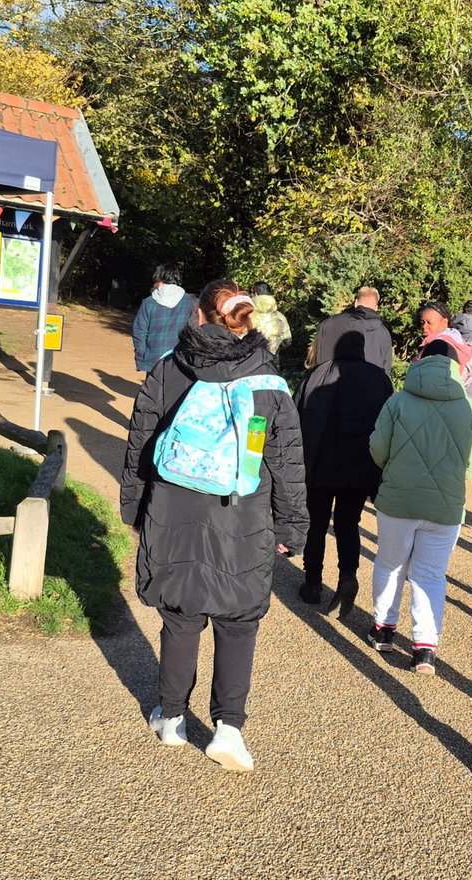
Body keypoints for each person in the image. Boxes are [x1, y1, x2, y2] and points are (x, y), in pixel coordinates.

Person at [120, 279, 308, 772]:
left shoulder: (169, 369)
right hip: (242, 511)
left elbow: (141, 442)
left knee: (180, 615)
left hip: (174, 507)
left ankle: (173, 718)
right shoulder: (267, 381)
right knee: (239, 621)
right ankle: (228, 729)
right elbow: (285, 460)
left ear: (198, 316)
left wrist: (135, 506)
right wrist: (292, 525)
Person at [367, 339, 472, 674]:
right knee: (431, 575)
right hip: (445, 506)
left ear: (421, 361)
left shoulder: (398, 401)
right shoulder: (471, 409)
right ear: (455, 367)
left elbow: (378, 449)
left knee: (391, 564)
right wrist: (451, 475)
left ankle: (383, 630)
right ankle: (425, 647)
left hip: (398, 499)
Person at [294, 324, 394, 614]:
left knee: (316, 524)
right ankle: (347, 575)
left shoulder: (316, 375)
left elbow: (298, 415)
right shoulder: (378, 378)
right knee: (348, 524)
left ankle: (312, 582)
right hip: (359, 465)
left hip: (319, 464)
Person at [131, 263, 196, 374]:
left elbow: (139, 332)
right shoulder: (191, 302)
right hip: (180, 361)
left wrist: (142, 357)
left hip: (153, 361)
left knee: (152, 391)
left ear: (159, 281)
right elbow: (196, 332)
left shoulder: (149, 302)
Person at [313, 285, 393, 376]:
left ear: (355, 303)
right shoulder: (384, 333)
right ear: (376, 307)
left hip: (336, 383)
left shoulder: (334, 324)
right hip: (371, 386)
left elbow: (320, 360)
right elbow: (386, 371)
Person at [248, 280, 292, 355]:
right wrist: (276, 347)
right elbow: (287, 340)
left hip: (250, 361)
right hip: (271, 360)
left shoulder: (246, 315)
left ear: (255, 293)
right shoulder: (279, 316)